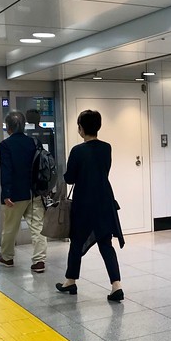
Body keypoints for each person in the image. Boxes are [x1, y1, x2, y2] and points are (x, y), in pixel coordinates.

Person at [55, 109, 125, 301]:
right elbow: (104, 171)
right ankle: (116, 285)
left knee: (77, 241)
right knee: (105, 244)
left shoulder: (77, 151)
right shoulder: (106, 148)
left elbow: (70, 178)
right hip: (104, 200)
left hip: (84, 202)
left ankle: (70, 281)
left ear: (81, 128)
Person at [0, 111, 47, 273]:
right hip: (34, 192)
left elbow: (6, 170)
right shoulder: (34, 142)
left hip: (15, 195)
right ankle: (39, 261)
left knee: (11, 226)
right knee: (37, 226)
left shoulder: (5, 145)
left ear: (8, 127)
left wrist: (6, 194)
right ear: (24, 126)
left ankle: (7, 257)